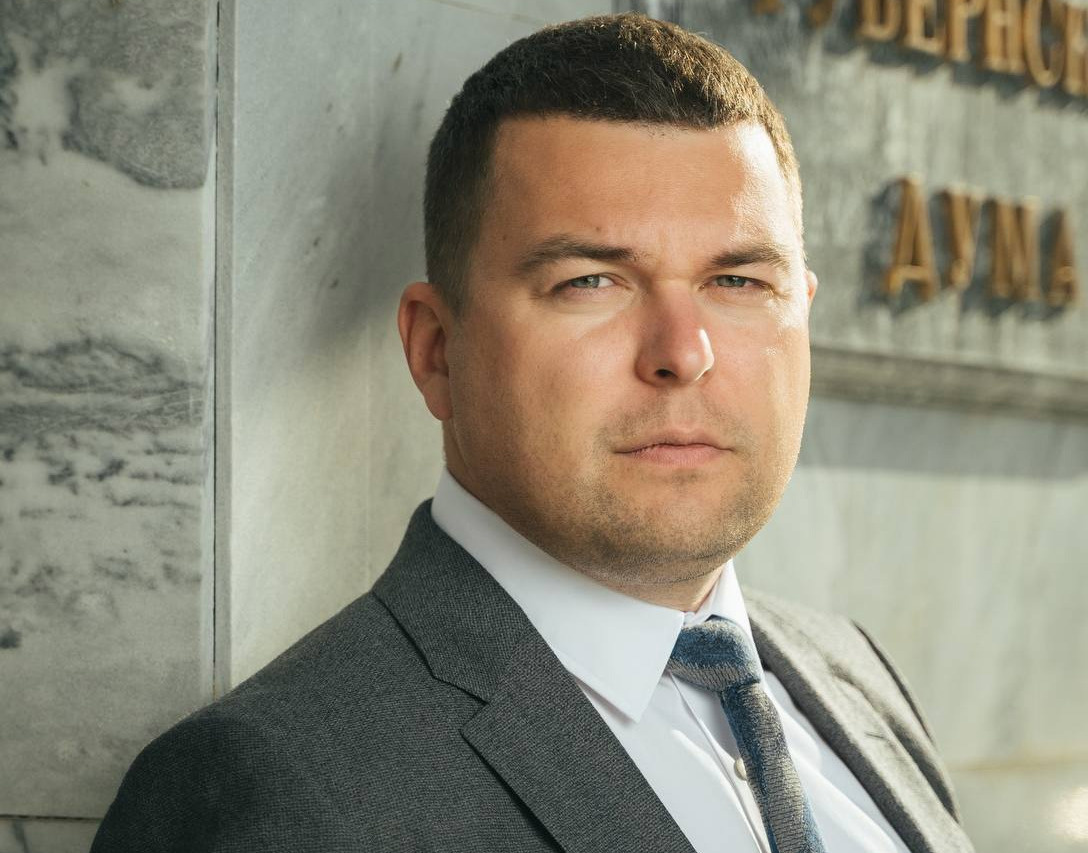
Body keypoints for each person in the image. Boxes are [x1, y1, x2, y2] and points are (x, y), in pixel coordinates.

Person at [92, 13, 972, 853]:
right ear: (437, 351)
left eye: (738, 281)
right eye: (591, 281)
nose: (683, 353)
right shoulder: (271, 790)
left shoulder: (852, 678)